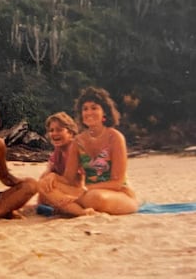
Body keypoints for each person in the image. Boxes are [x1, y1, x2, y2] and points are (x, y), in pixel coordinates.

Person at [43, 87, 139, 216]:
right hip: (86, 194)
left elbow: (117, 182)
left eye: (94, 108)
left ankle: (71, 206)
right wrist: (53, 176)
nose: (89, 112)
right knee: (43, 185)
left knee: (95, 197)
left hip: (119, 195)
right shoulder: (78, 141)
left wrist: (83, 190)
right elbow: (68, 179)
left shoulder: (115, 137)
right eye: (85, 109)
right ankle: (82, 212)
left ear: (104, 113)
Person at [37, 112, 90, 214]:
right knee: (44, 181)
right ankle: (54, 208)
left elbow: (85, 181)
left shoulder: (77, 149)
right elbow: (46, 174)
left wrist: (54, 177)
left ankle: (82, 213)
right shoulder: (58, 151)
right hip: (66, 191)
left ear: (70, 133)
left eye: (59, 130)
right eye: (51, 130)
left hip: (81, 192)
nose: (54, 133)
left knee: (46, 184)